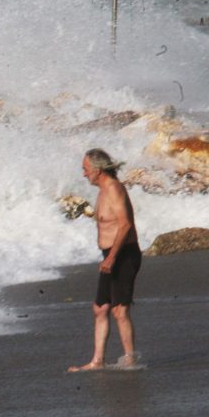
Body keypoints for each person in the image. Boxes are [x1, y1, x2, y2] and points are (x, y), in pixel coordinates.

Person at [69, 148, 142, 372]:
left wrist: (111, 257)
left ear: (98, 170)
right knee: (100, 308)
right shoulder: (102, 190)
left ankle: (130, 359)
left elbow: (125, 224)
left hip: (123, 254)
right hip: (109, 255)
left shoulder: (113, 189)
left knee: (119, 310)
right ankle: (97, 361)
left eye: (86, 169)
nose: (84, 174)